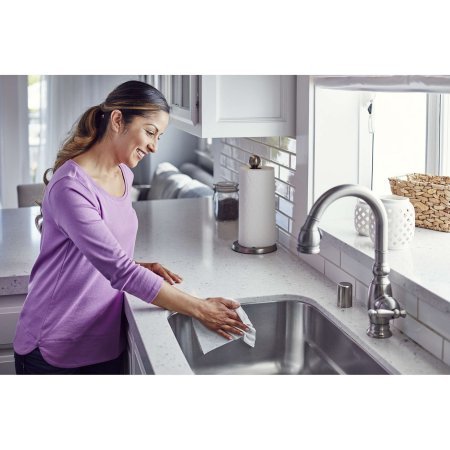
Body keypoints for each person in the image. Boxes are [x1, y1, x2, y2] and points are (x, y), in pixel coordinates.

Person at [13, 80, 248, 375]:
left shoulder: (123, 173)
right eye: (150, 132)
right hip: (53, 345)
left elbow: (104, 256)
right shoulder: (70, 187)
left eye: (159, 136)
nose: (154, 146)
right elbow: (120, 271)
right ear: (117, 120)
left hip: (102, 341)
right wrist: (201, 308)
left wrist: (137, 265)